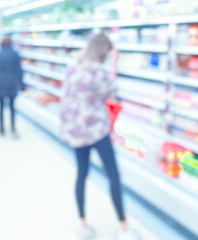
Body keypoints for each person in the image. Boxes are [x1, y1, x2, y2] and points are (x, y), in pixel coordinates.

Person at [60, 33, 142, 240]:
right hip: (96, 131)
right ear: (104, 51)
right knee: (113, 175)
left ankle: (82, 224)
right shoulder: (98, 71)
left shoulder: (72, 66)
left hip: (75, 131)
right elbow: (111, 93)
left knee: (81, 173)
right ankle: (123, 227)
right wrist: (113, 67)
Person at [0, 37, 23, 136]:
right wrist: (20, 83)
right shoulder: (15, 54)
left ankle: (1, 128)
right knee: (12, 106)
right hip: (11, 81)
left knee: (0, 106)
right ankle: (12, 127)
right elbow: (19, 70)